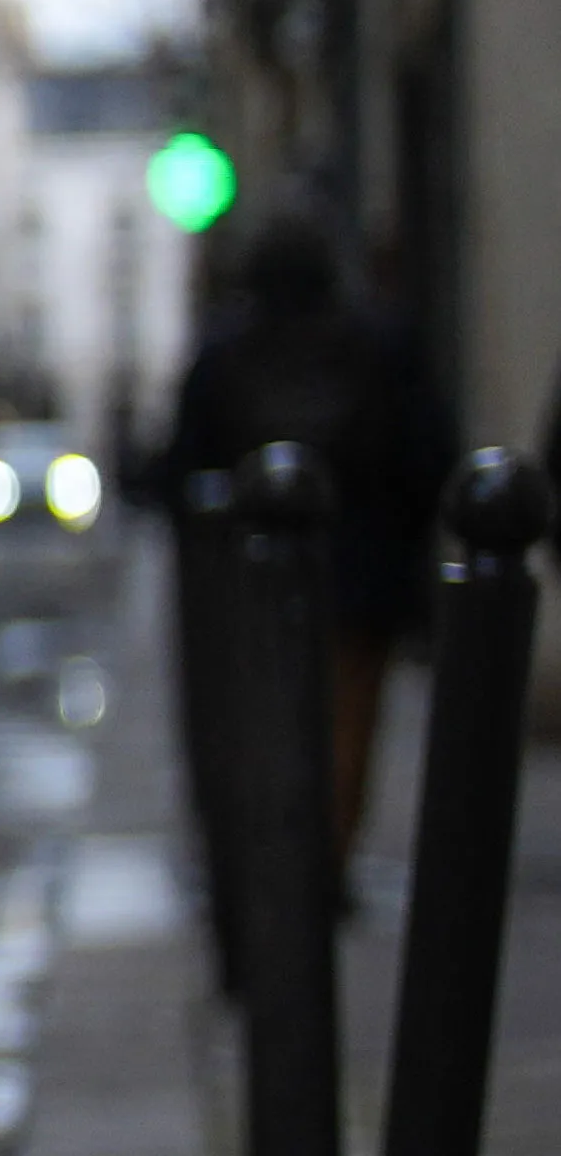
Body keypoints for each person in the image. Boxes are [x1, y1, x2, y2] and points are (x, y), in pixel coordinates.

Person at [163, 199, 459, 864]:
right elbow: (427, 455)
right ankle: (327, 853)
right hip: (361, 571)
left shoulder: (223, 350)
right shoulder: (379, 342)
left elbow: (183, 467)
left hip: (248, 577)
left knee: (269, 721)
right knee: (348, 721)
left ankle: (284, 870)